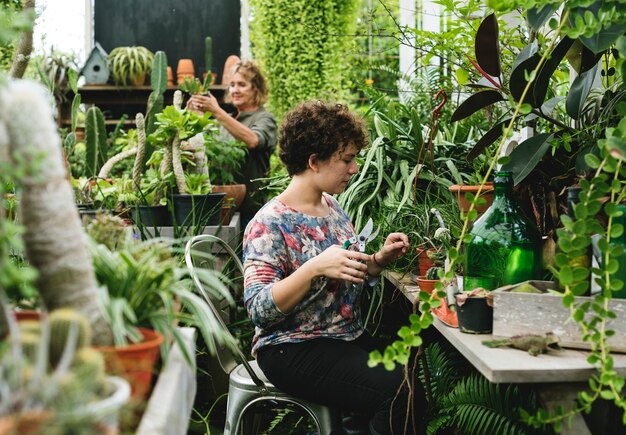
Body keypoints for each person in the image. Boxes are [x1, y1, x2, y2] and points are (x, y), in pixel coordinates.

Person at [242, 101, 425, 434]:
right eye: (347, 159)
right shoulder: (269, 224)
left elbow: (345, 269)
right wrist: (313, 268)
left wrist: (377, 261)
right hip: (290, 347)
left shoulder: (332, 206)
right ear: (314, 161)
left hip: (341, 337)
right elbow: (259, 309)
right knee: (397, 391)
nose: (354, 168)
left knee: (419, 371)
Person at [187, 60, 277, 225]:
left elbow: (253, 140)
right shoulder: (225, 119)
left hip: (251, 213)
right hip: (219, 208)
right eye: (232, 84)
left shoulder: (264, 118)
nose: (235, 90)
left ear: (256, 88)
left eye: (242, 84)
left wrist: (216, 111)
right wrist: (191, 116)